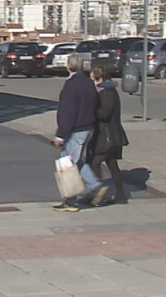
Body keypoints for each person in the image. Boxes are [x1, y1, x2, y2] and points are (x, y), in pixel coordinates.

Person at [52, 53, 107, 212]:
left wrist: (61, 134)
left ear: (68, 66)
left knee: (67, 163)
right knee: (77, 161)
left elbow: (67, 111)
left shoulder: (71, 85)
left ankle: (71, 200)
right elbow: (95, 104)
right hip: (88, 128)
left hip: (75, 130)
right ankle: (94, 185)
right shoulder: (89, 83)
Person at [87, 66, 129, 204]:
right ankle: (120, 194)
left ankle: (98, 194)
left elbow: (104, 114)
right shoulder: (107, 91)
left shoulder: (108, 93)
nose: (92, 83)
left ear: (100, 79)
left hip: (108, 136)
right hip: (111, 135)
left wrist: (92, 109)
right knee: (112, 164)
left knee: (95, 162)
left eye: (94, 80)